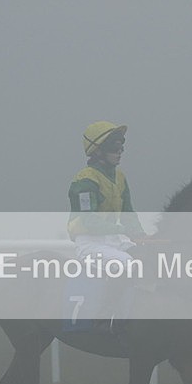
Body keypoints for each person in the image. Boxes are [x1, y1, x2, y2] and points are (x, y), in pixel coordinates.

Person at [67, 121, 146, 332]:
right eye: (114, 148)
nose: (120, 152)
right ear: (99, 151)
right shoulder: (85, 180)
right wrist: (124, 230)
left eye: (122, 147)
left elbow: (128, 212)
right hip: (90, 244)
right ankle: (103, 316)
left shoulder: (120, 177)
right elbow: (88, 221)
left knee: (149, 258)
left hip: (114, 242)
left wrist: (140, 234)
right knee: (128, 265)